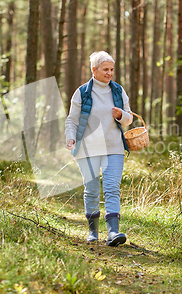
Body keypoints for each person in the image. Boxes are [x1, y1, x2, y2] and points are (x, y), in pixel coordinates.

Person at [65, 51, 132, 246]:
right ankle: (93, 232)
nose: (110, 73)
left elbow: (129, 118)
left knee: (112, 188)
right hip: (88, 148)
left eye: (112, 69)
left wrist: (121, 115)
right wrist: (70, 138)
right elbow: (72, 120)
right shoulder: (82, 92)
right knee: (92, 189)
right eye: (105, 69)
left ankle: (113, 233)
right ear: (94, 70)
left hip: (114, 147)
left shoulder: (118, 91)